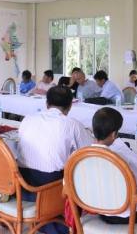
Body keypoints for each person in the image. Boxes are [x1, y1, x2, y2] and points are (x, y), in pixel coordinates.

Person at [18, 86, 92, 234]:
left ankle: (48, 223)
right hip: (52, 188)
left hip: (23, 184)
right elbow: (88, 153)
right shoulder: (72, 124)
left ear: (46, 103)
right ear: (70, 106)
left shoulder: (28, 119)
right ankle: (71, 226)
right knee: (82, 172)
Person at [90, 107, 137, 224]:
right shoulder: (121, 157)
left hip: (98, 211)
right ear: (114, 134)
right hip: (127, 216)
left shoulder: (79, 156)